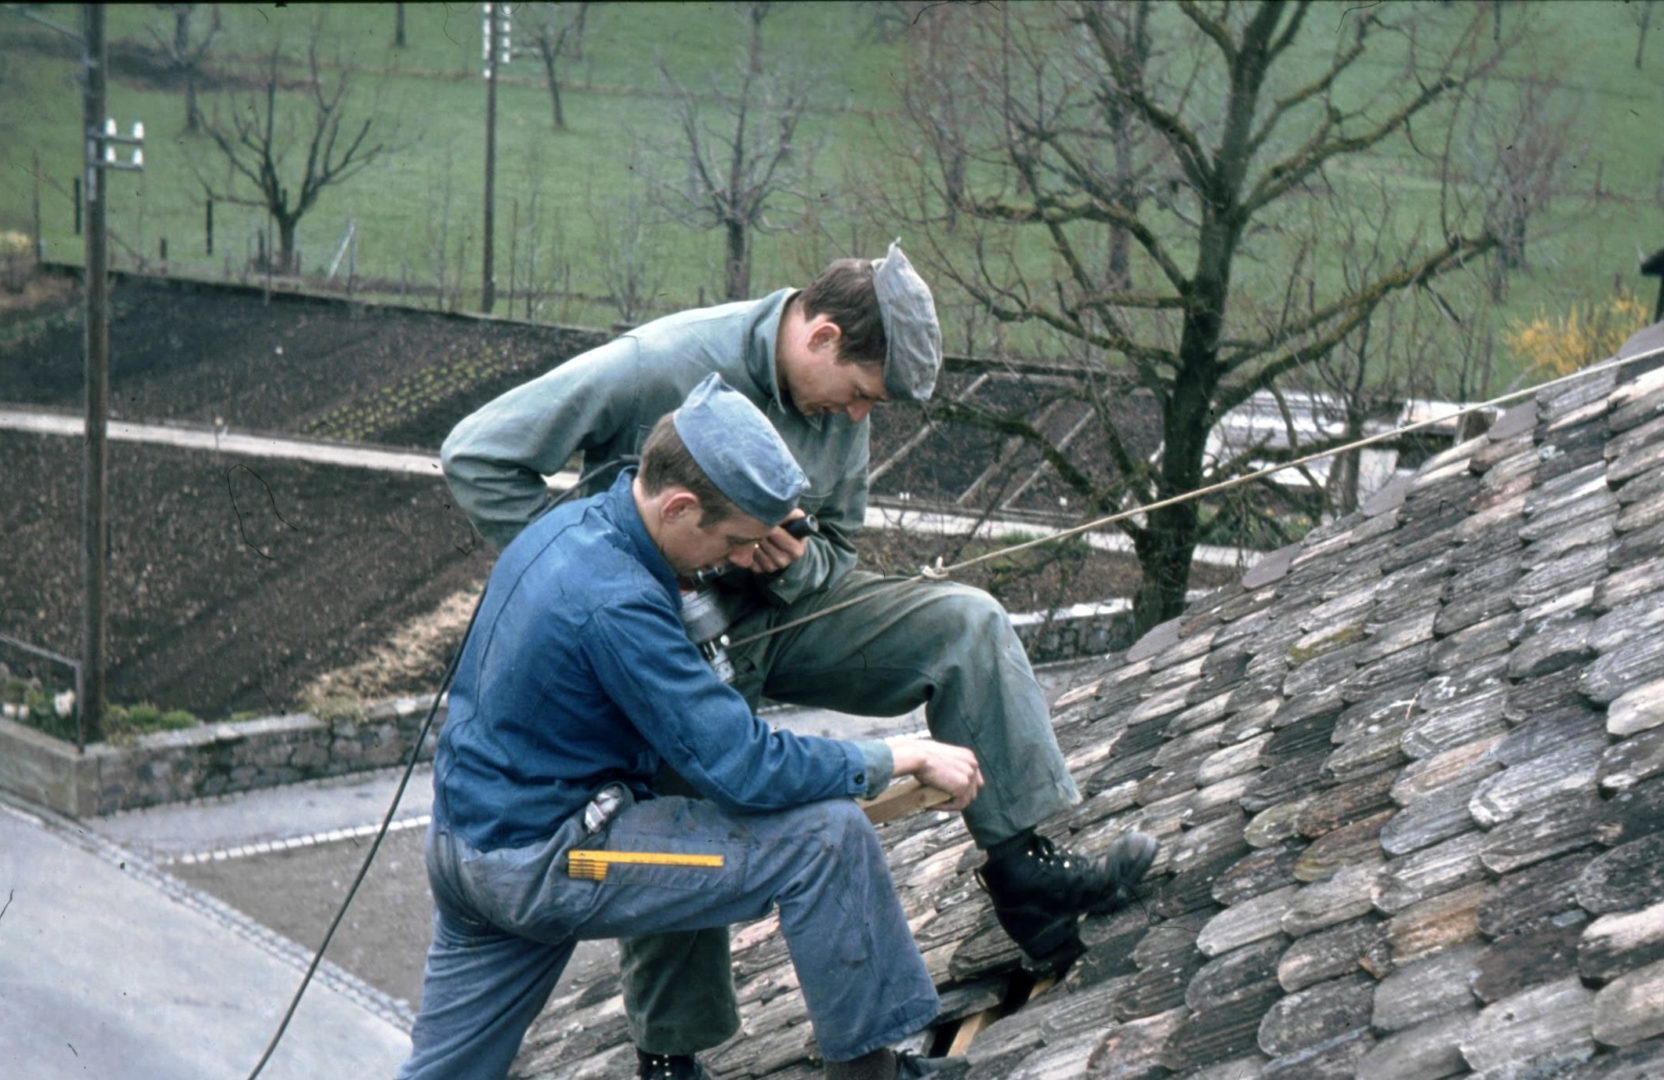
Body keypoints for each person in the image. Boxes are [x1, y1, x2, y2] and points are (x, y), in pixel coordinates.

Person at [441, 243, 1157, 1080]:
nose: (859, 420)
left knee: (969, 623)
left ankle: (1024, 870)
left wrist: (785, 560)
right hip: (661, 640)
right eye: (859, 395)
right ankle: (671, 1051)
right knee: (689, 786)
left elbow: (839, 549)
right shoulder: (658, 363)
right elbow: (476, 455)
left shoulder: (839, 412)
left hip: (780, 617)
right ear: (820, 338)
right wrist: (616, 578)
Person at [400, 375, 984, 1080]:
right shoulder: (616, 603)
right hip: (555, 863)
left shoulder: (566, 528)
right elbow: (742, 767)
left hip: (464, 851)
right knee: (828, 841)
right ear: (679, 507)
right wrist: (902, 754)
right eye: (735, 540)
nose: (741, 561)